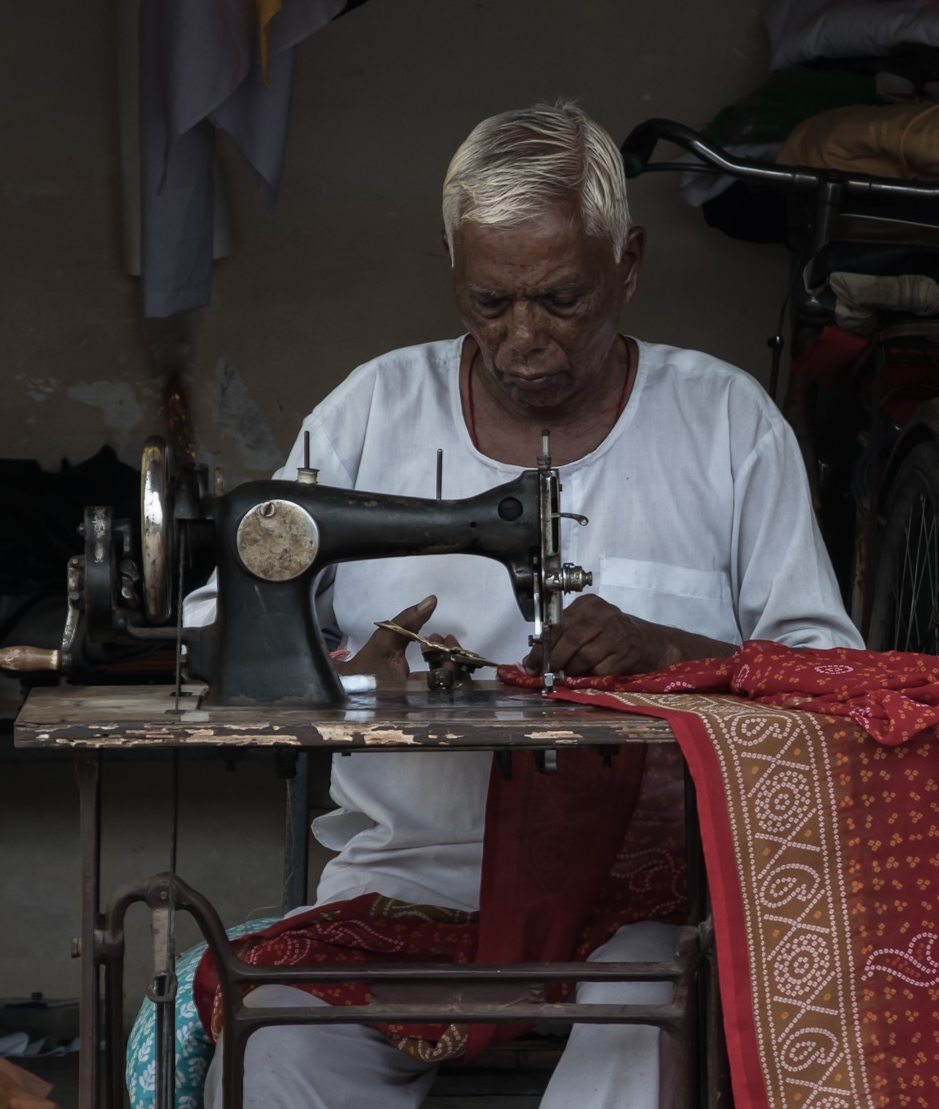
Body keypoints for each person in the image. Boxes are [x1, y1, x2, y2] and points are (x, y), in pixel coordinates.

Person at [138, 100, 861, 1109]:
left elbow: (831, 676)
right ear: (452, 272)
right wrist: (340, 671)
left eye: (562, 298)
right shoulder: (372, 412)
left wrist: (674, 651)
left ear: (630, 263)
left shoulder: (726, 424)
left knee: (641, 1029)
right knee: (278, 1056)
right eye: (489, 302)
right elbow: (221, 624)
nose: (525, 338)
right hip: (403, 884)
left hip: (648, 896)